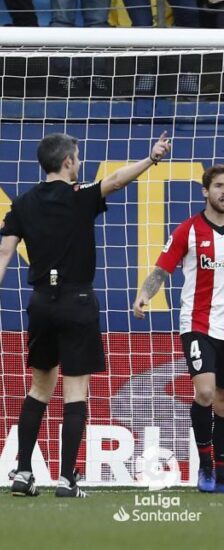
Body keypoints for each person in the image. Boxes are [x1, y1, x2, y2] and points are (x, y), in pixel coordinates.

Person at [0, 132, 171, 498]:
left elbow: (4, 254)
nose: (79, 162)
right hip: (77, 301)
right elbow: (115, 181)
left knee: (38, 389)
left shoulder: (22, 203)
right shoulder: (80, 197)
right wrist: (151, 159)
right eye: (78, 157)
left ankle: (22, 473)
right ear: (67, 162)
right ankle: (67, 479)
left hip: (41, 304)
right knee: (75, 392)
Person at [133, 164, 224, 493]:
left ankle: (221, 468)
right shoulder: (188, 230)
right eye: (218, 186)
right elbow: (162, 268)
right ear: (205, 191)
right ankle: (206, 467)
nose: (223, 191)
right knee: (205, 393)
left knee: (223, 403)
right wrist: (144, 294)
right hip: (198, 324)